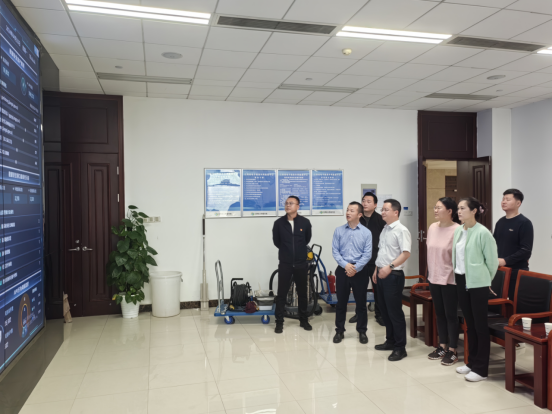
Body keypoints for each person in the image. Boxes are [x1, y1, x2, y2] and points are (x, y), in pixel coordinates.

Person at [453, 197, 498, 382]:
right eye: (458, 208)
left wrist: (485, 280)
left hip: (478, 283)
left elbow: (492, 262)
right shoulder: (459, 230)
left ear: (474, 211)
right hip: (461, 279)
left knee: (480, 325)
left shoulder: (483, 232)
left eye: (463, 208)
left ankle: (481, 369)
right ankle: (471, 362)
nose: (459, 211)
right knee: (469, 324)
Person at [373, 199, 411, 361]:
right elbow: (382, 251)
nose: (382, 212)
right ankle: (390, 341)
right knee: (384, 311)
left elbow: (406, 253)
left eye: (386, 210)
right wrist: (376, 269)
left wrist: (389, 267)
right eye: (382, 209)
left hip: (393, 275)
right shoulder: (385, 229)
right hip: (381, 273)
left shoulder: (401, 230)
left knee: (395, 312)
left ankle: (400, 347)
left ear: (396, 212)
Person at [331, 202, 372, 344]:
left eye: (352, 211)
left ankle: (362, 331)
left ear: (359, 214)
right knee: (341, 303)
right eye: (347, 210)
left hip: (360, 271)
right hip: (342, 269)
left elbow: (367, 254)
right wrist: (346, 265)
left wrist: (356, 268)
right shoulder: (338, 230)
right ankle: (339, 331)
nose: (348, 213)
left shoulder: (366, 232)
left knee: (361, 303)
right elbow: (335, 251)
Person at [426, 197, 461, 365]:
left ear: (449, 211)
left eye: (439, 207)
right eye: (435, 207)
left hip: (450, 279)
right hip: (434, 276)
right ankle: (442, 346)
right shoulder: (432, 227)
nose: (435, 210)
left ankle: (453, 350)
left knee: (451, 315)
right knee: (439, 313)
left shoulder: (458, 230)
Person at [272, 196, 312, 334]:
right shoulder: (278, 223)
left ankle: (303, 320)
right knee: (281, 294)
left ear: (298, 206)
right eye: (286, 203)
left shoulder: (305, 223)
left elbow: (307, 239)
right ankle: (279, 322)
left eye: (291, 203)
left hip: (301, 263)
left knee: (302, 293)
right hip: (285, 263)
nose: (288, 205)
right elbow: (277, 242)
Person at [350, 192, 386, 326]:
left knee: (378, 290)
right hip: (359, 261)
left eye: (368, 201)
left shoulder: (381, 220)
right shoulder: (357, 219)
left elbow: (384, 241)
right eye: (363, 201)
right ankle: (359, 313)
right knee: (359, 290)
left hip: (376, 261)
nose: (365, 203)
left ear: (375, 205)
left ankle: (379, 314)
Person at [493, 189, 533, 301]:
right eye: (503, 199)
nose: (503, 202)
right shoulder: (500, 222)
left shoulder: (524, 223)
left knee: (514, 303)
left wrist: (505, 260)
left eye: (508, 199)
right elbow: (494, 245)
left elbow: (526, 251)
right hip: (500, 271)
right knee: (500, 304)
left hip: (516, 272)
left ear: (518, 203)